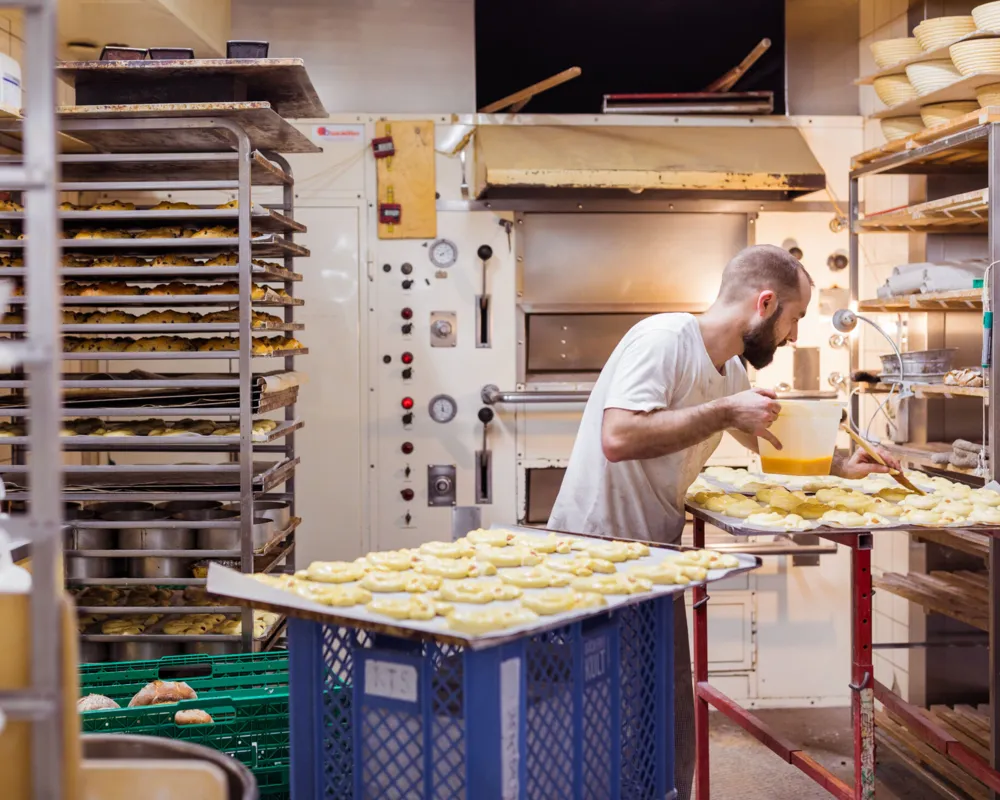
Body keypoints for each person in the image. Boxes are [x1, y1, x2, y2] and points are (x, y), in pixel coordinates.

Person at [547, 244, 899, 800]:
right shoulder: (664, 340)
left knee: (664, 718)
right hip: (597, 558)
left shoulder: (729, 368)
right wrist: (726, 411)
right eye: (794, 319)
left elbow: (769, 445)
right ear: (764, 303)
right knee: (610, 721)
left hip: (653, 558)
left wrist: (841, 466)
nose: (793, 337)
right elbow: (618, 438)